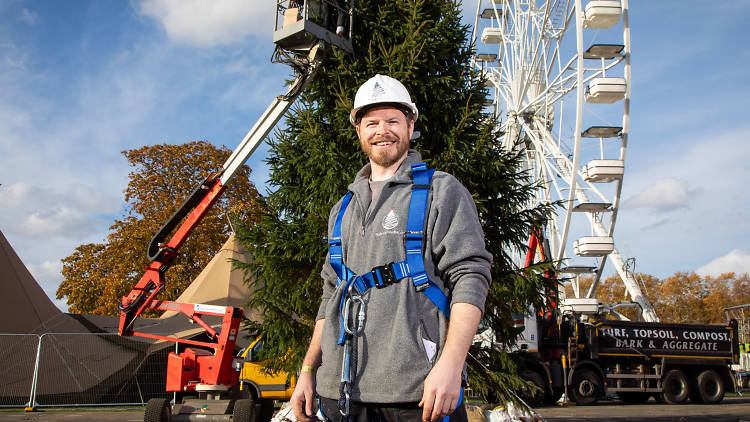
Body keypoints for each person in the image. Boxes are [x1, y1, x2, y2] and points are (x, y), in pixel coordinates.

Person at [290, 74, 492, 422]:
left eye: (392, 120)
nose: (382, 130)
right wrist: (309, 369)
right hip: (340, 396)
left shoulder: (441, 192)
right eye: (372, 122)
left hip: (417, 394)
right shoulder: (343, 209)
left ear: (411, 125)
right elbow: (330, 294)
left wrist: (451, 365)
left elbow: (471, 276)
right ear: (359, 131)